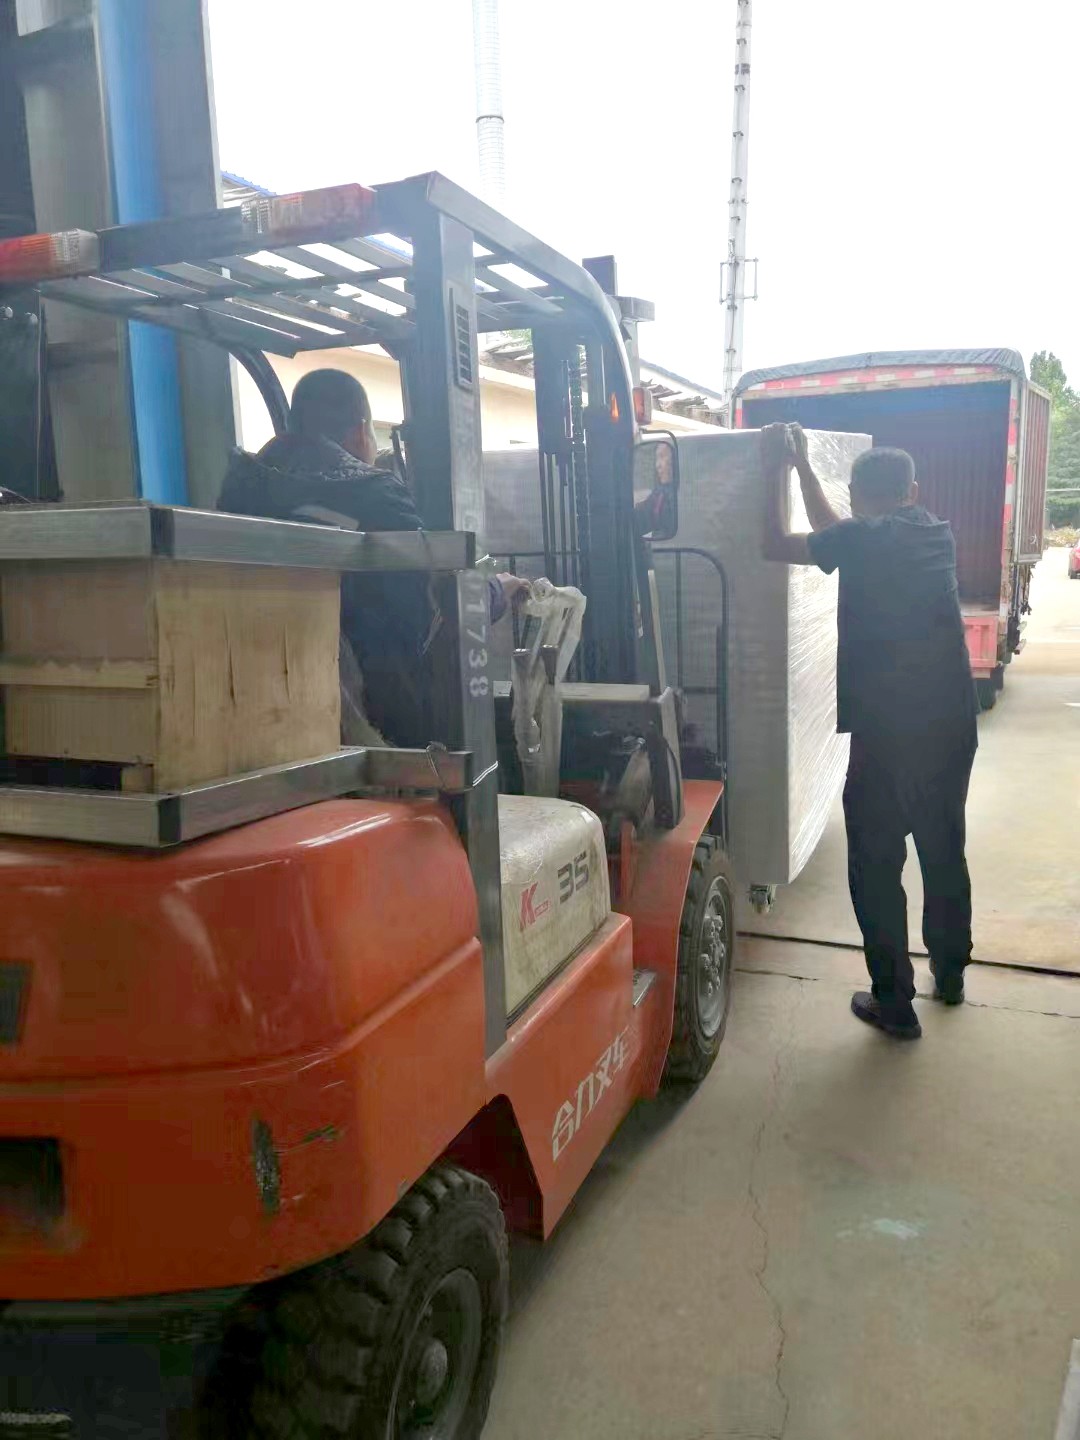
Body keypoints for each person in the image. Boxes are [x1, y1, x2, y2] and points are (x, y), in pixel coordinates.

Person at [761, 422, 978, 1040]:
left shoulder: (860, 538)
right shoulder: (933, 531)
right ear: (912, 491)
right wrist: (806, 469)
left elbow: (773, 542)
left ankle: (894, 1003)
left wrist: (774, 468)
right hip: (950, 727)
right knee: (943, 850)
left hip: (887, 736)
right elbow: (839, 535)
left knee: (877, 865)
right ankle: (951, 974)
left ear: (858, 495)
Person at [219, 368, 526, 747]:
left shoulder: (242, 489)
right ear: (361, 431)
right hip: (370, 713)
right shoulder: (372, 493)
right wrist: (496, 591)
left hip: (250, 696)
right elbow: (432, 604)